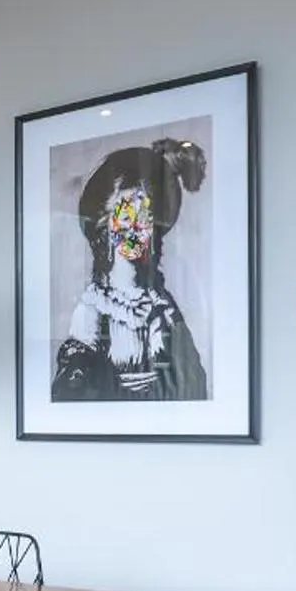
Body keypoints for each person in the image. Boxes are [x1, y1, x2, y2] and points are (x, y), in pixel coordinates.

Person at [52, 137, 209, 402]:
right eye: (126, 217)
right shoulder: (95, 306)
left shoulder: (162, 305)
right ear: (108, 226)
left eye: (144, 217)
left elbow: (192, 382)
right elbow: (72, 387)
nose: (136, 228)